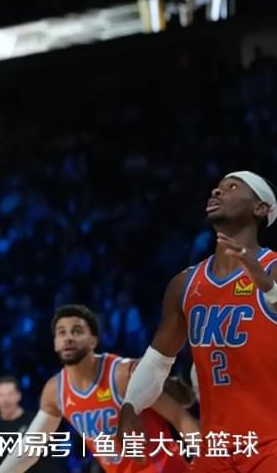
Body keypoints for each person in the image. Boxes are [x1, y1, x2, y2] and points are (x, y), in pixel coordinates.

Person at [118, 172, 277, 472]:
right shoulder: (185, 284)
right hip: (215, 447)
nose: (217, 191)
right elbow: (157, 362)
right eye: (217, 187)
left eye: (232, 187)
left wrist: (269, 288)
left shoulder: (273, 269)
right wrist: (130, 406)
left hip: (271, 444)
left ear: (260, 208)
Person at [0, 305, 197, 473]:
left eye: (76, 331)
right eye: (61, 333)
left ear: (93, 341)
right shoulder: (55, 391)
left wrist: (209, 462)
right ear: (55, 343)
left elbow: (180, 418)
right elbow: (29, 450)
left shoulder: (122, 374)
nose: (68, 338)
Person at [0, 377, 60, 473]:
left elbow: (50, 458)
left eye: (10, 394)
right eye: (1, 395)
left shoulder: (35, 422)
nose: (5, 400)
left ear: (18, 396)